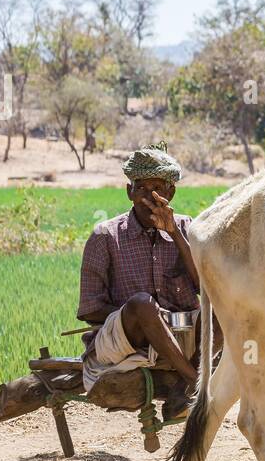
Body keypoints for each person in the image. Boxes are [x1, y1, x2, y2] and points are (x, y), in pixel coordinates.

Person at [77, 142, 200, 424]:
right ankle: (195, 381)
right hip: (125, 339)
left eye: (157, 189)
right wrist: (144, 319)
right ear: (129, 191)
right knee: (143, 304)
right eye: (141, 189)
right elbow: (89, 309)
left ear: (170, 193)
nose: (148, 198)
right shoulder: (105, 236)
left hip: (182, 329)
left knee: (221, 306)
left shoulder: (187, 228)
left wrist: (175, 235)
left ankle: (183, 386)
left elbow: (204, 289)